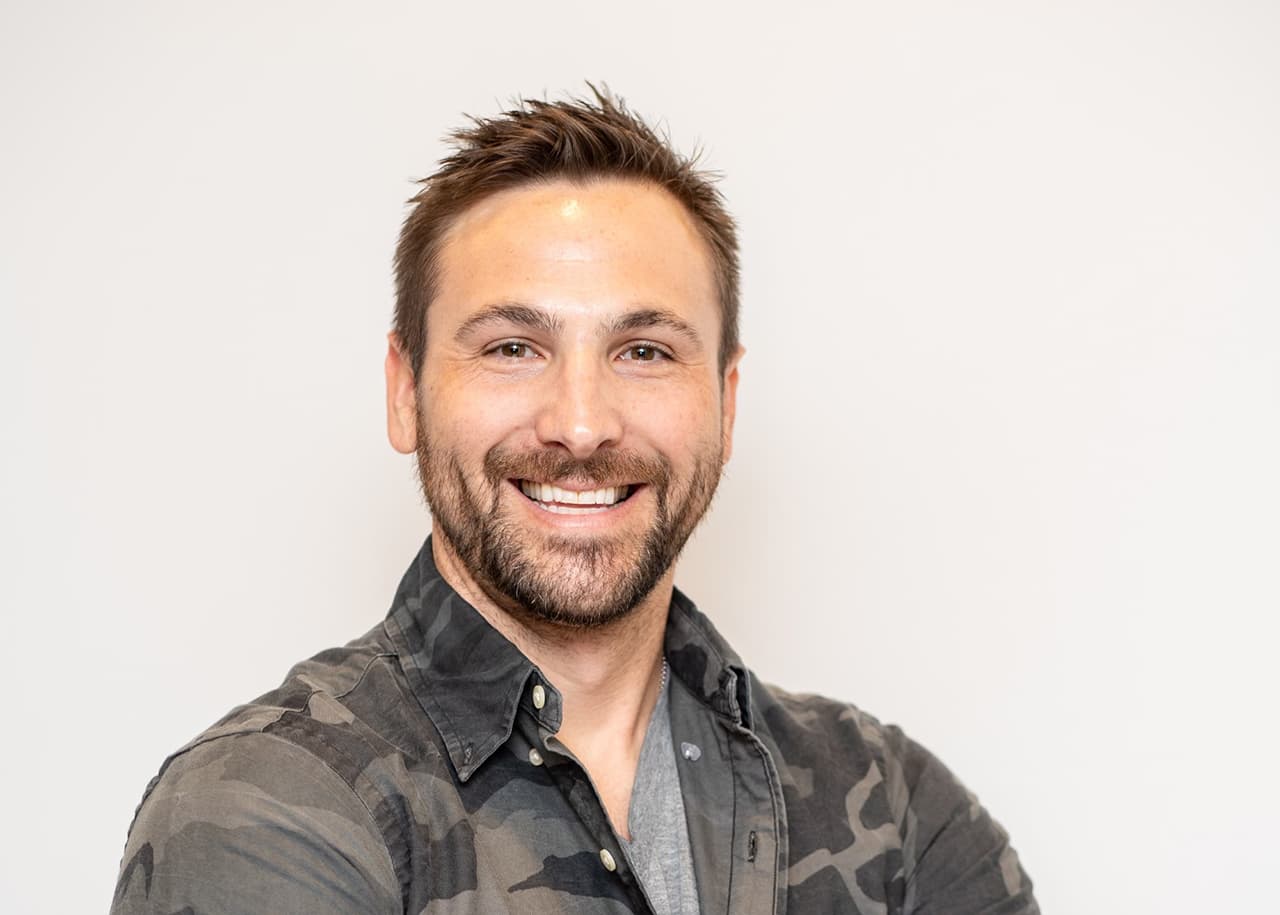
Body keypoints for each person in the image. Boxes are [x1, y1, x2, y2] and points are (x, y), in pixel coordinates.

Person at [111, 89, 1038, 915]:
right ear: (405, 391)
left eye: (644, 350)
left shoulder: (894, 815)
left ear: (726, 399)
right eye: (514, 345)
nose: (583, 425)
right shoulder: (270, 807)